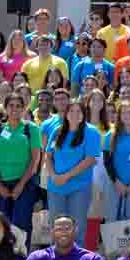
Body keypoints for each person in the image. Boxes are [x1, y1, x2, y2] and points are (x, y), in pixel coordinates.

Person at [40, 98, 105, 235]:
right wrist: (53, 176)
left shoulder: (91, 132)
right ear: (66, 113)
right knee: (56, 229)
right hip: (56, 187)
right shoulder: (58, 131)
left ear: (83, 113)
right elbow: (48, 156)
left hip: (79, 187)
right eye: (71, 111)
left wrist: (66, 176)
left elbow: (90, 160)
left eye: (78, 111)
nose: (75, 114)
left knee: (77, 229)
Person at [18, 214, 108, 260]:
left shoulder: (92, 259)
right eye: (59, 229)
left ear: (75, 230)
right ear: (52, 232)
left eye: (67, 229)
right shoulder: (38, 256)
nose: (63, 232)